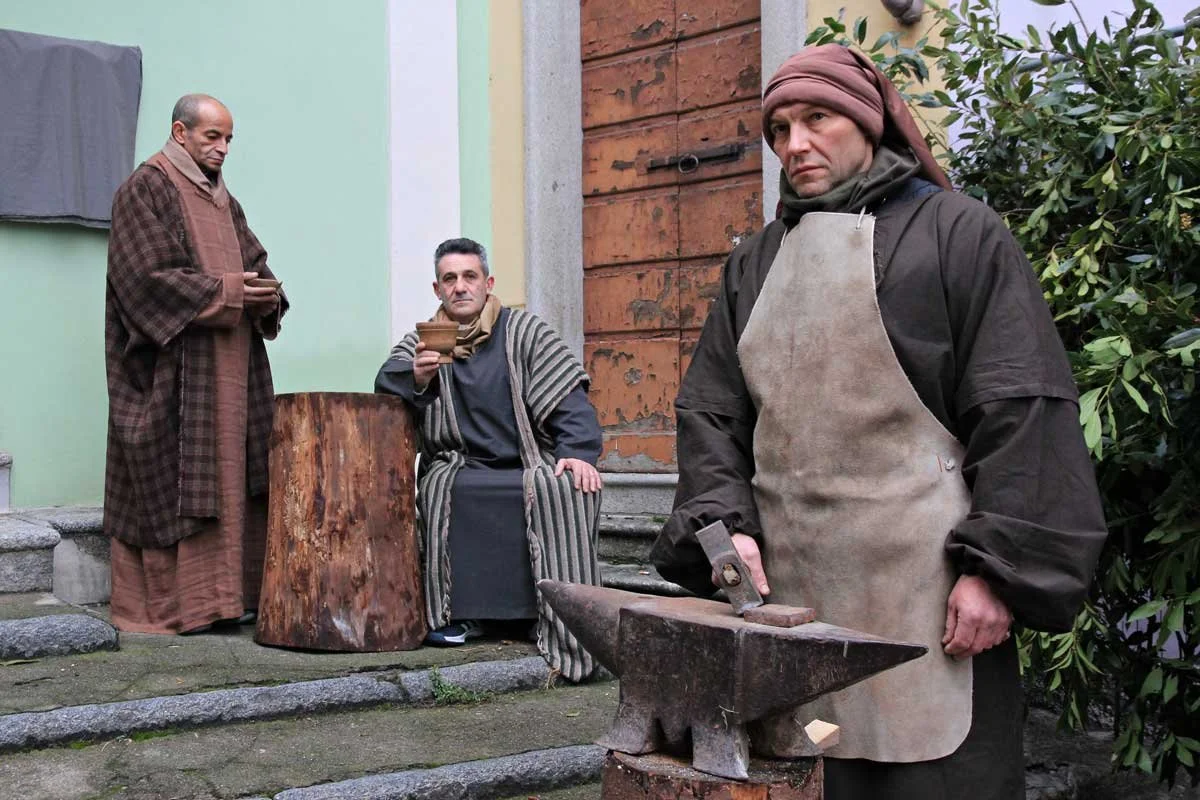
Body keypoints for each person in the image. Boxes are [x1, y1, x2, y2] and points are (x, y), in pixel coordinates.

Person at [649, 45, 1107, 799]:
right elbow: (711, 415)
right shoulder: (753, 265)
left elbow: (1021, 406)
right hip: (791, 601)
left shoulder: (960, 234)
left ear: (869, 122)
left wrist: (996, 572)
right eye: (779, 129)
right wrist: (723, 528)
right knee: (810, 770)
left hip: (929, 599)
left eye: (817, 119)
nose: (795, 144)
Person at [375, 237, 604, 681]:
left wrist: (577, 453)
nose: (460, 287)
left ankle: (549, 614)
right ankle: (464, 615)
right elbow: (387, 384)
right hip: (460, 465)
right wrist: (416, 377)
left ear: (488, 282)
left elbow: (570, 400)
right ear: (438, 289)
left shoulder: (525, 332)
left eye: (469, 276)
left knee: (560, 487)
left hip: (528, 461)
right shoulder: (426, 341)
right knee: (446, 489)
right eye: (449, 279)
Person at [104, 94, 287, 635]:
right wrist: (229, 292)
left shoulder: (226, 201)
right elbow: (144, 281)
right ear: (180, 132)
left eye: (229, 139)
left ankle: (230, 600)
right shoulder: (145, 188)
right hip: (174, 373)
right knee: (176, 486)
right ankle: (183, 608)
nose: (223, 148)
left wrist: (268, 294)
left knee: (240, 477)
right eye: (213, 136)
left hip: (234, 369)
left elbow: (256, 263)